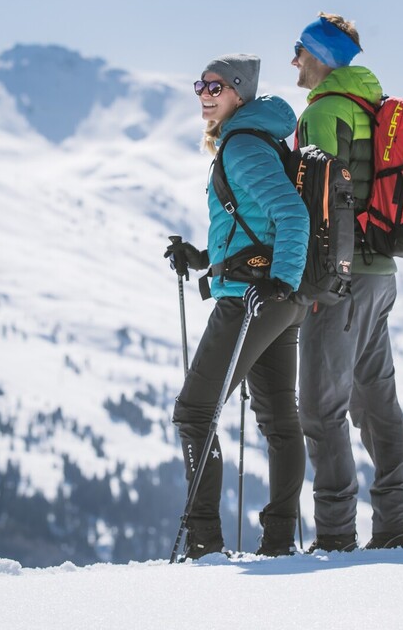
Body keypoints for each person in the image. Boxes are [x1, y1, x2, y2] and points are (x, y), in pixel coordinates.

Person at [164, 53, 310, 558]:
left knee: (194, 414)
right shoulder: (256, 138)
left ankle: (204, 544)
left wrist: (280, 282)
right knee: (277, 418)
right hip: (272, 297)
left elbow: (291, 215)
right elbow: (254, 223)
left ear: (240, 92)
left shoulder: (242, 146)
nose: (205, 93)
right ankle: (276, 542)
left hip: (254, 299)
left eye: (216, 86)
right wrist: (203, 257)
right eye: (200, 84)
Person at [292, 13, 403, 552]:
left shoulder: (325, 113)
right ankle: (392, 530)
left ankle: (336, 538)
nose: (293, 60)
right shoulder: (371, 105)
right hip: (379, 273)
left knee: (321, 408)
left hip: (341, 280)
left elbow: (322, 203)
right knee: (376, 402)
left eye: (299, 50)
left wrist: (317, 280)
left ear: (319, 55)